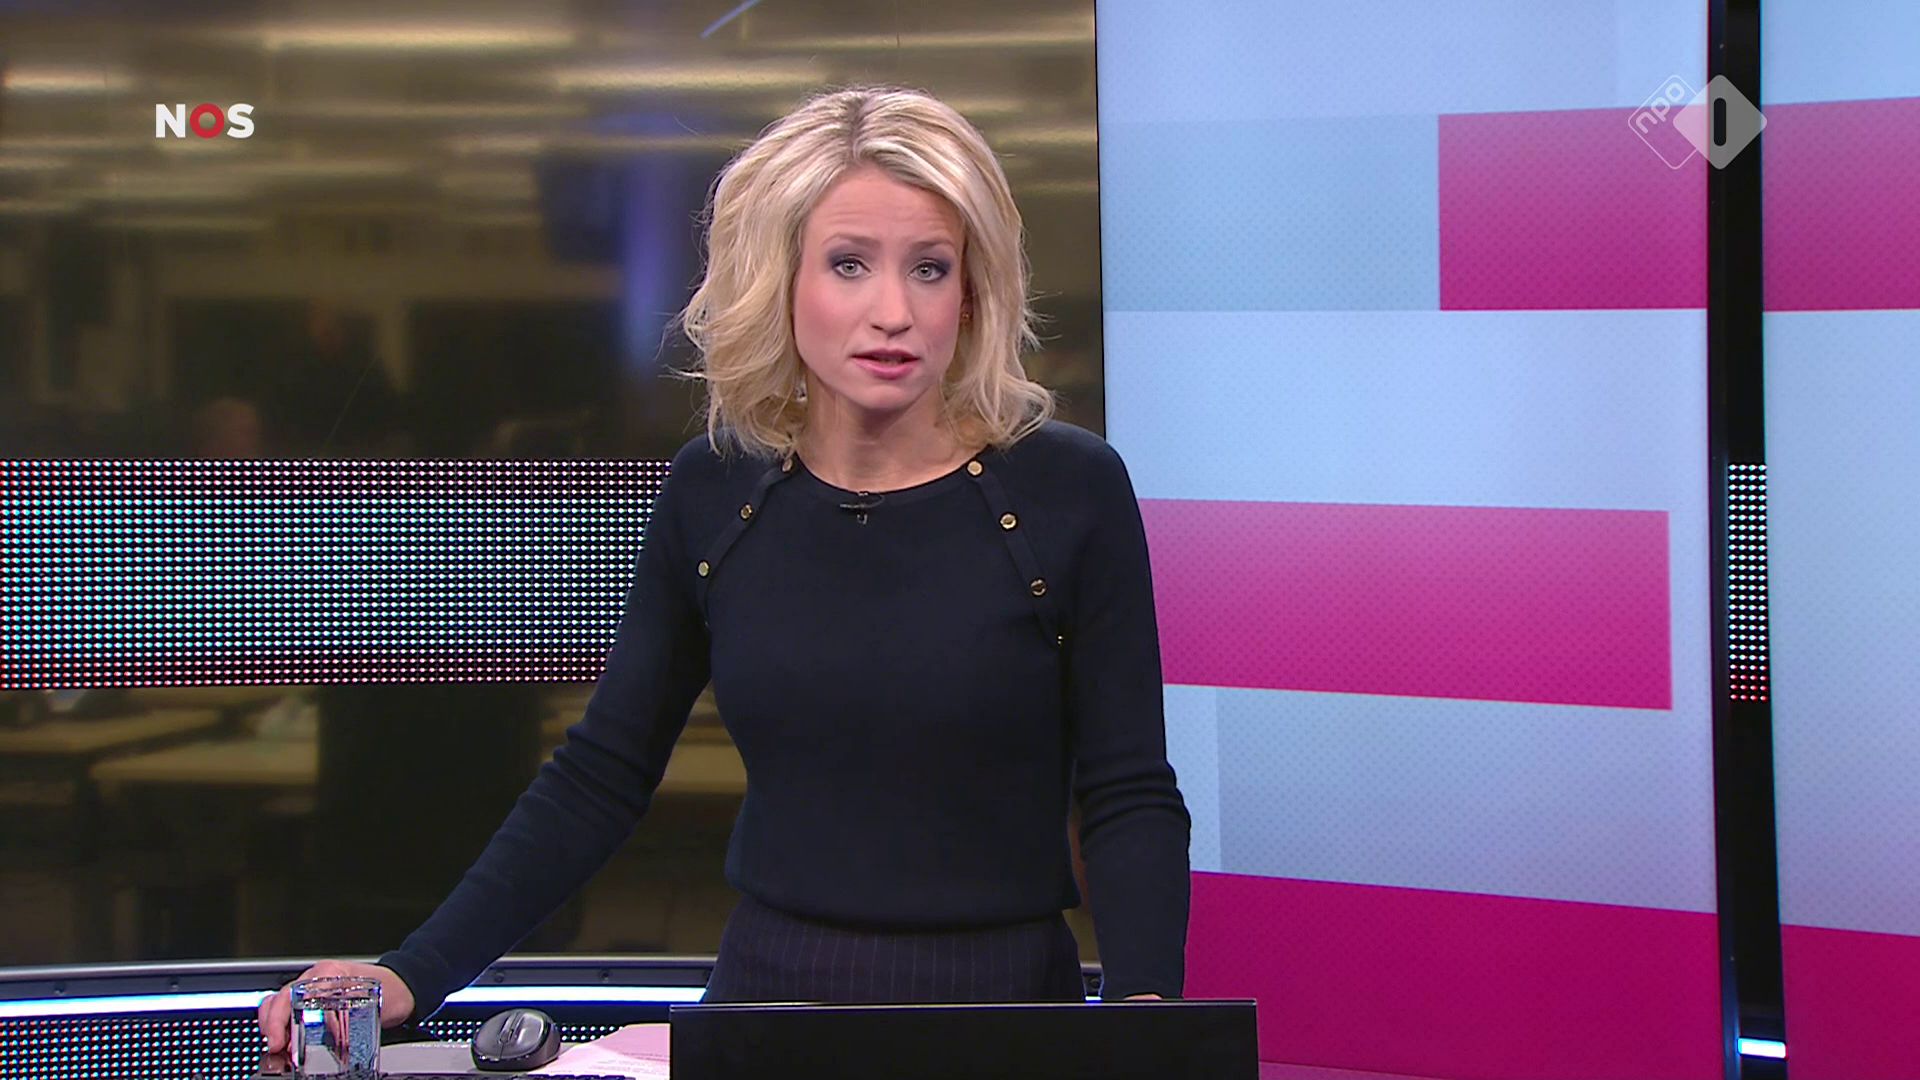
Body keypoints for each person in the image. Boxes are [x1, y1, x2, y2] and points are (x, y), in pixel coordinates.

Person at [258, 85, 1190, 1049]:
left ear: (973, 291)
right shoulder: (715, 488)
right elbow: (603, 774)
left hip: (1004, 1004)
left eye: (930, 268)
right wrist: (414, 970)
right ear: (780, 280)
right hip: (766, 1002)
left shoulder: (1069, 489)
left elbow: (1127, 790)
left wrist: (1147, 1020)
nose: (893, 312)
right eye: (848, 264)